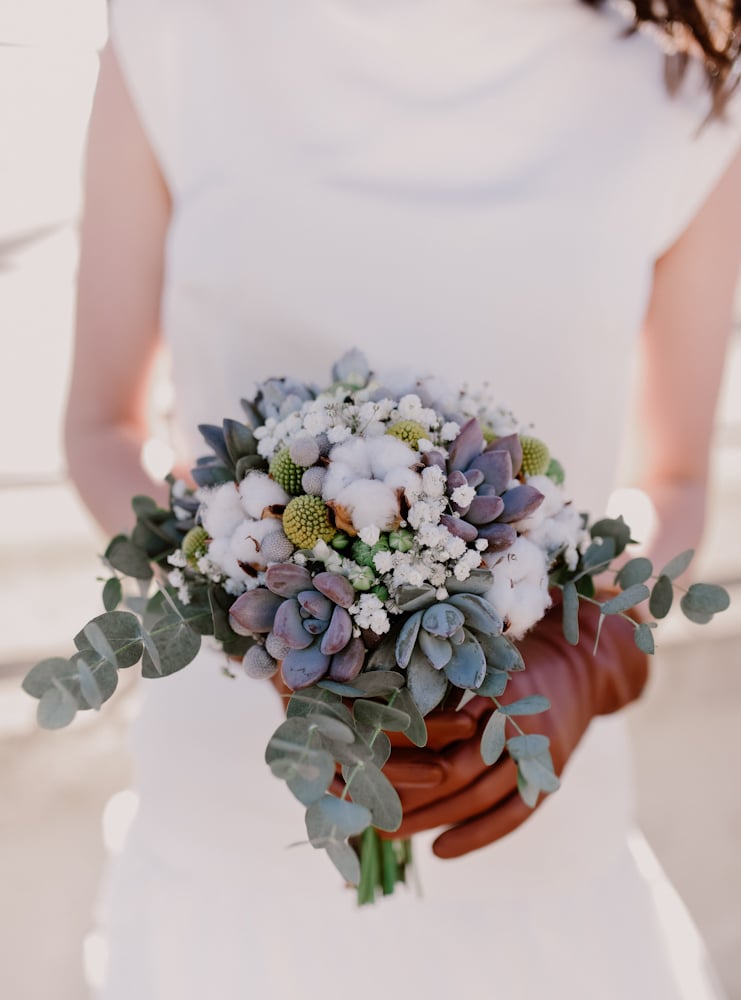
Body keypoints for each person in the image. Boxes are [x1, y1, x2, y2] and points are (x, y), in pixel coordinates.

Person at [67, 1, 740, 997]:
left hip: (529, 837)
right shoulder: (179, 29)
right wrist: (258, 608)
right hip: (233, 827)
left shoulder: (687, 81)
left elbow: (677, 481)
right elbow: (100, 432)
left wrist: (583, 658)